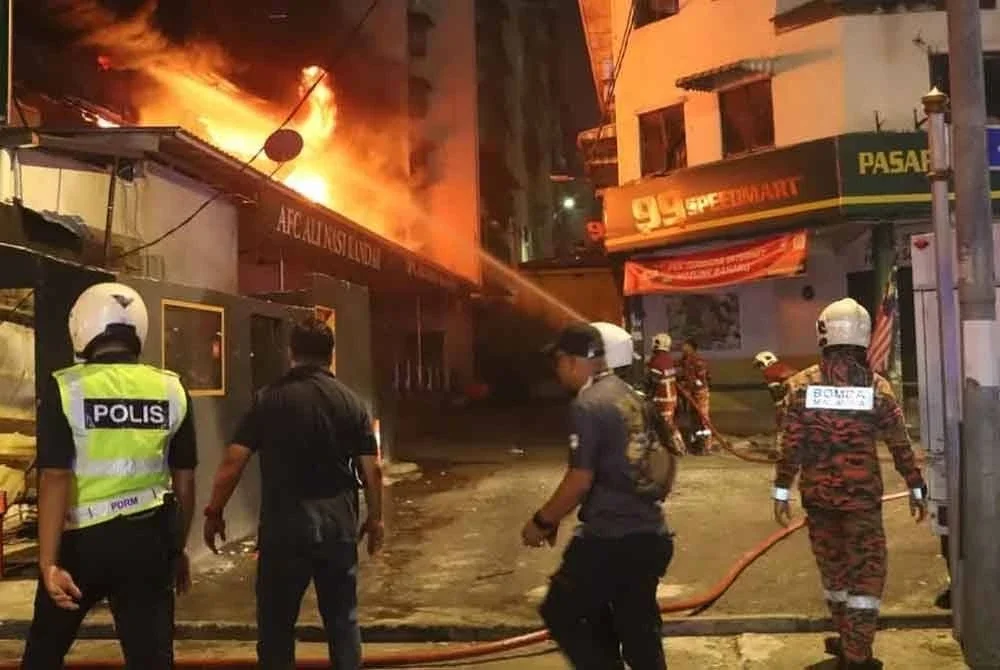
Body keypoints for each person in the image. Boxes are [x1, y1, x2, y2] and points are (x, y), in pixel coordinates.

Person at [22, 282, 197, 669]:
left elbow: (55, 477)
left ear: (81, 326)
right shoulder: (171, 388)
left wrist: (48, 563)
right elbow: (184, 479)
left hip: (80, 543)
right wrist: (176, 549)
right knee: (151, 659)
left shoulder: (66, 387)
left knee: (44, 655)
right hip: (149, 540)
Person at [203, 317, 384, 670]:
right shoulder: (351, 403)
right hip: (337, 527)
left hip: (284, 528)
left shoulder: (268, 399)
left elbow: (233, 462)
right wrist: (375, 519)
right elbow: (372, 468)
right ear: (331, 355)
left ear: (292, 353)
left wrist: (214, 512)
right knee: (343, 622)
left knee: (276, 626)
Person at [772, 298, 927, 670]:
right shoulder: (877, 388)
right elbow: (899, 443)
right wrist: (916, 486)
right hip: (861, 502)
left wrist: (781, 490)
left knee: (835, 573)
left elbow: (790, 445)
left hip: (818, 499)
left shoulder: (800, 386)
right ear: (864, 337)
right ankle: (858, 654)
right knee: (867, 575)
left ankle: (848, 639)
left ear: (823, 333)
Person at [522, 322, 676, 670]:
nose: (557, 371)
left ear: (574, 361)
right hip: (650, 536)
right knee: (635, 630)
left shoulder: (587, 405)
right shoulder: (632, 396)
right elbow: (665, 461)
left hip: (609, 540)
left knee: (562, 612)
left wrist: (543, 521)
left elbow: (580, 479)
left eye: (558, 362)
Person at [678, 338, 713, 453]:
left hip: (699, 393)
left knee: (703, 419)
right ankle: (698, 444)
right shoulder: (685, 360)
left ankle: (707, 445)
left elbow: (701, 379)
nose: (683, 348)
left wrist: (690, 384)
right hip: (691, 394)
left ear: (691, 347)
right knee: (694, 419)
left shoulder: (698, 361)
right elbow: (676, 367)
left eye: (685, 346)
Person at [753, 350, 798, 424]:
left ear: (766, 361)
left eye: (760, 364)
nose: (760, 368)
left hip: (796, 399)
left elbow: (776, 392)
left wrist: (779, 410)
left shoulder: (769, 371)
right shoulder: (784, 367)